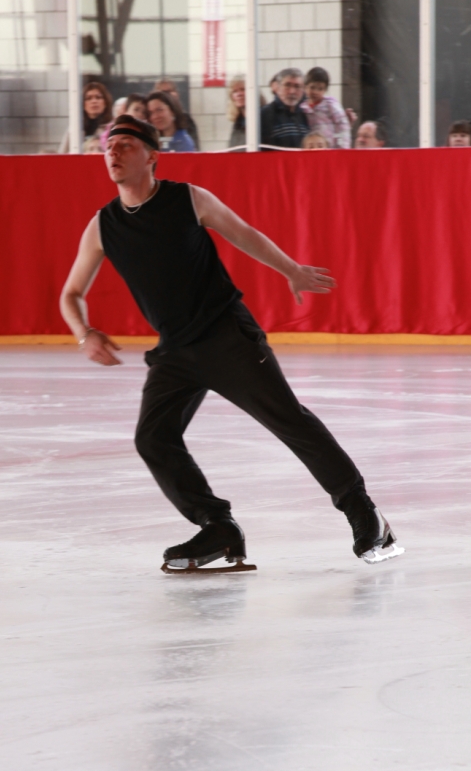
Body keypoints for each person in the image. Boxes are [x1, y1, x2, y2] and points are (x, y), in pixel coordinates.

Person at [59, 115, 403, 570]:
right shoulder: (103, 226)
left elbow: (245, 234)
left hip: (226, 335)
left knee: (289, 421)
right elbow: (70, 294)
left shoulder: (188, 198)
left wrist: (291, 270)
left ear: (152, 156)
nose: (113, 153)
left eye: (125, 145)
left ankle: (365, 514)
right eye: (109, 146)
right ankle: (217, 526)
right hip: (175, 350)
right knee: (153, 438)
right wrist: (84, 333)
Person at [301, 67, 351, 149]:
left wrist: (343, 147)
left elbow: (342, 125)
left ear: (325, 90)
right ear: (305, 87)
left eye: (320, 89)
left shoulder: (331, 105)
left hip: (330, 149)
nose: (315, 92)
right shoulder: (303, 108)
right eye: (312, 87)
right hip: (312, 149)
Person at [260, 68, 309, 149]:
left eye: (297, 86)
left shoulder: (307, 114)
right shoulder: (264, 114)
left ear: (303, 90)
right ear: (278, 87)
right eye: (287, 85)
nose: (292, 91)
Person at [154, 78, 200, 149]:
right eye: (162, 93)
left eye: (168, 92)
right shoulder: (152, 119)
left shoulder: (186, 119)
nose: (166, 96)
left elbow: (194, 148)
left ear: (176, 94)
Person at [226, 76, 266, 149]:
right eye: (235, 91)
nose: (239, 94)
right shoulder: (238, 122)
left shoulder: (264, 117)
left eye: (243, 89)